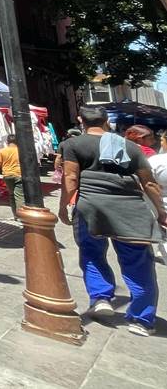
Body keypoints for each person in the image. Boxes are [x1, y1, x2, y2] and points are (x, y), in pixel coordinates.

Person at [59, 106, 166, 336]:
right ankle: (142, 319)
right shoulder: (130, 146)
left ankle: (101, 298)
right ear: (106, 120)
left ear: (80, 121)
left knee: (91, 253)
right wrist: (161, 211)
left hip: (92, 207)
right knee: (139, 262)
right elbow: (149, 183)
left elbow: (70, 177)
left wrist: (62, 207)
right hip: (130, 209)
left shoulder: (73, 144)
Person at [0, 135, 24, 221]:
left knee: (12, 195)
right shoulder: (21, 151)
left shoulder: (2, 151)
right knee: (19, 196)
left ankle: (15, 215)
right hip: (18, 174)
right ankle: (20, 216)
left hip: (7, 175)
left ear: (7, 142)